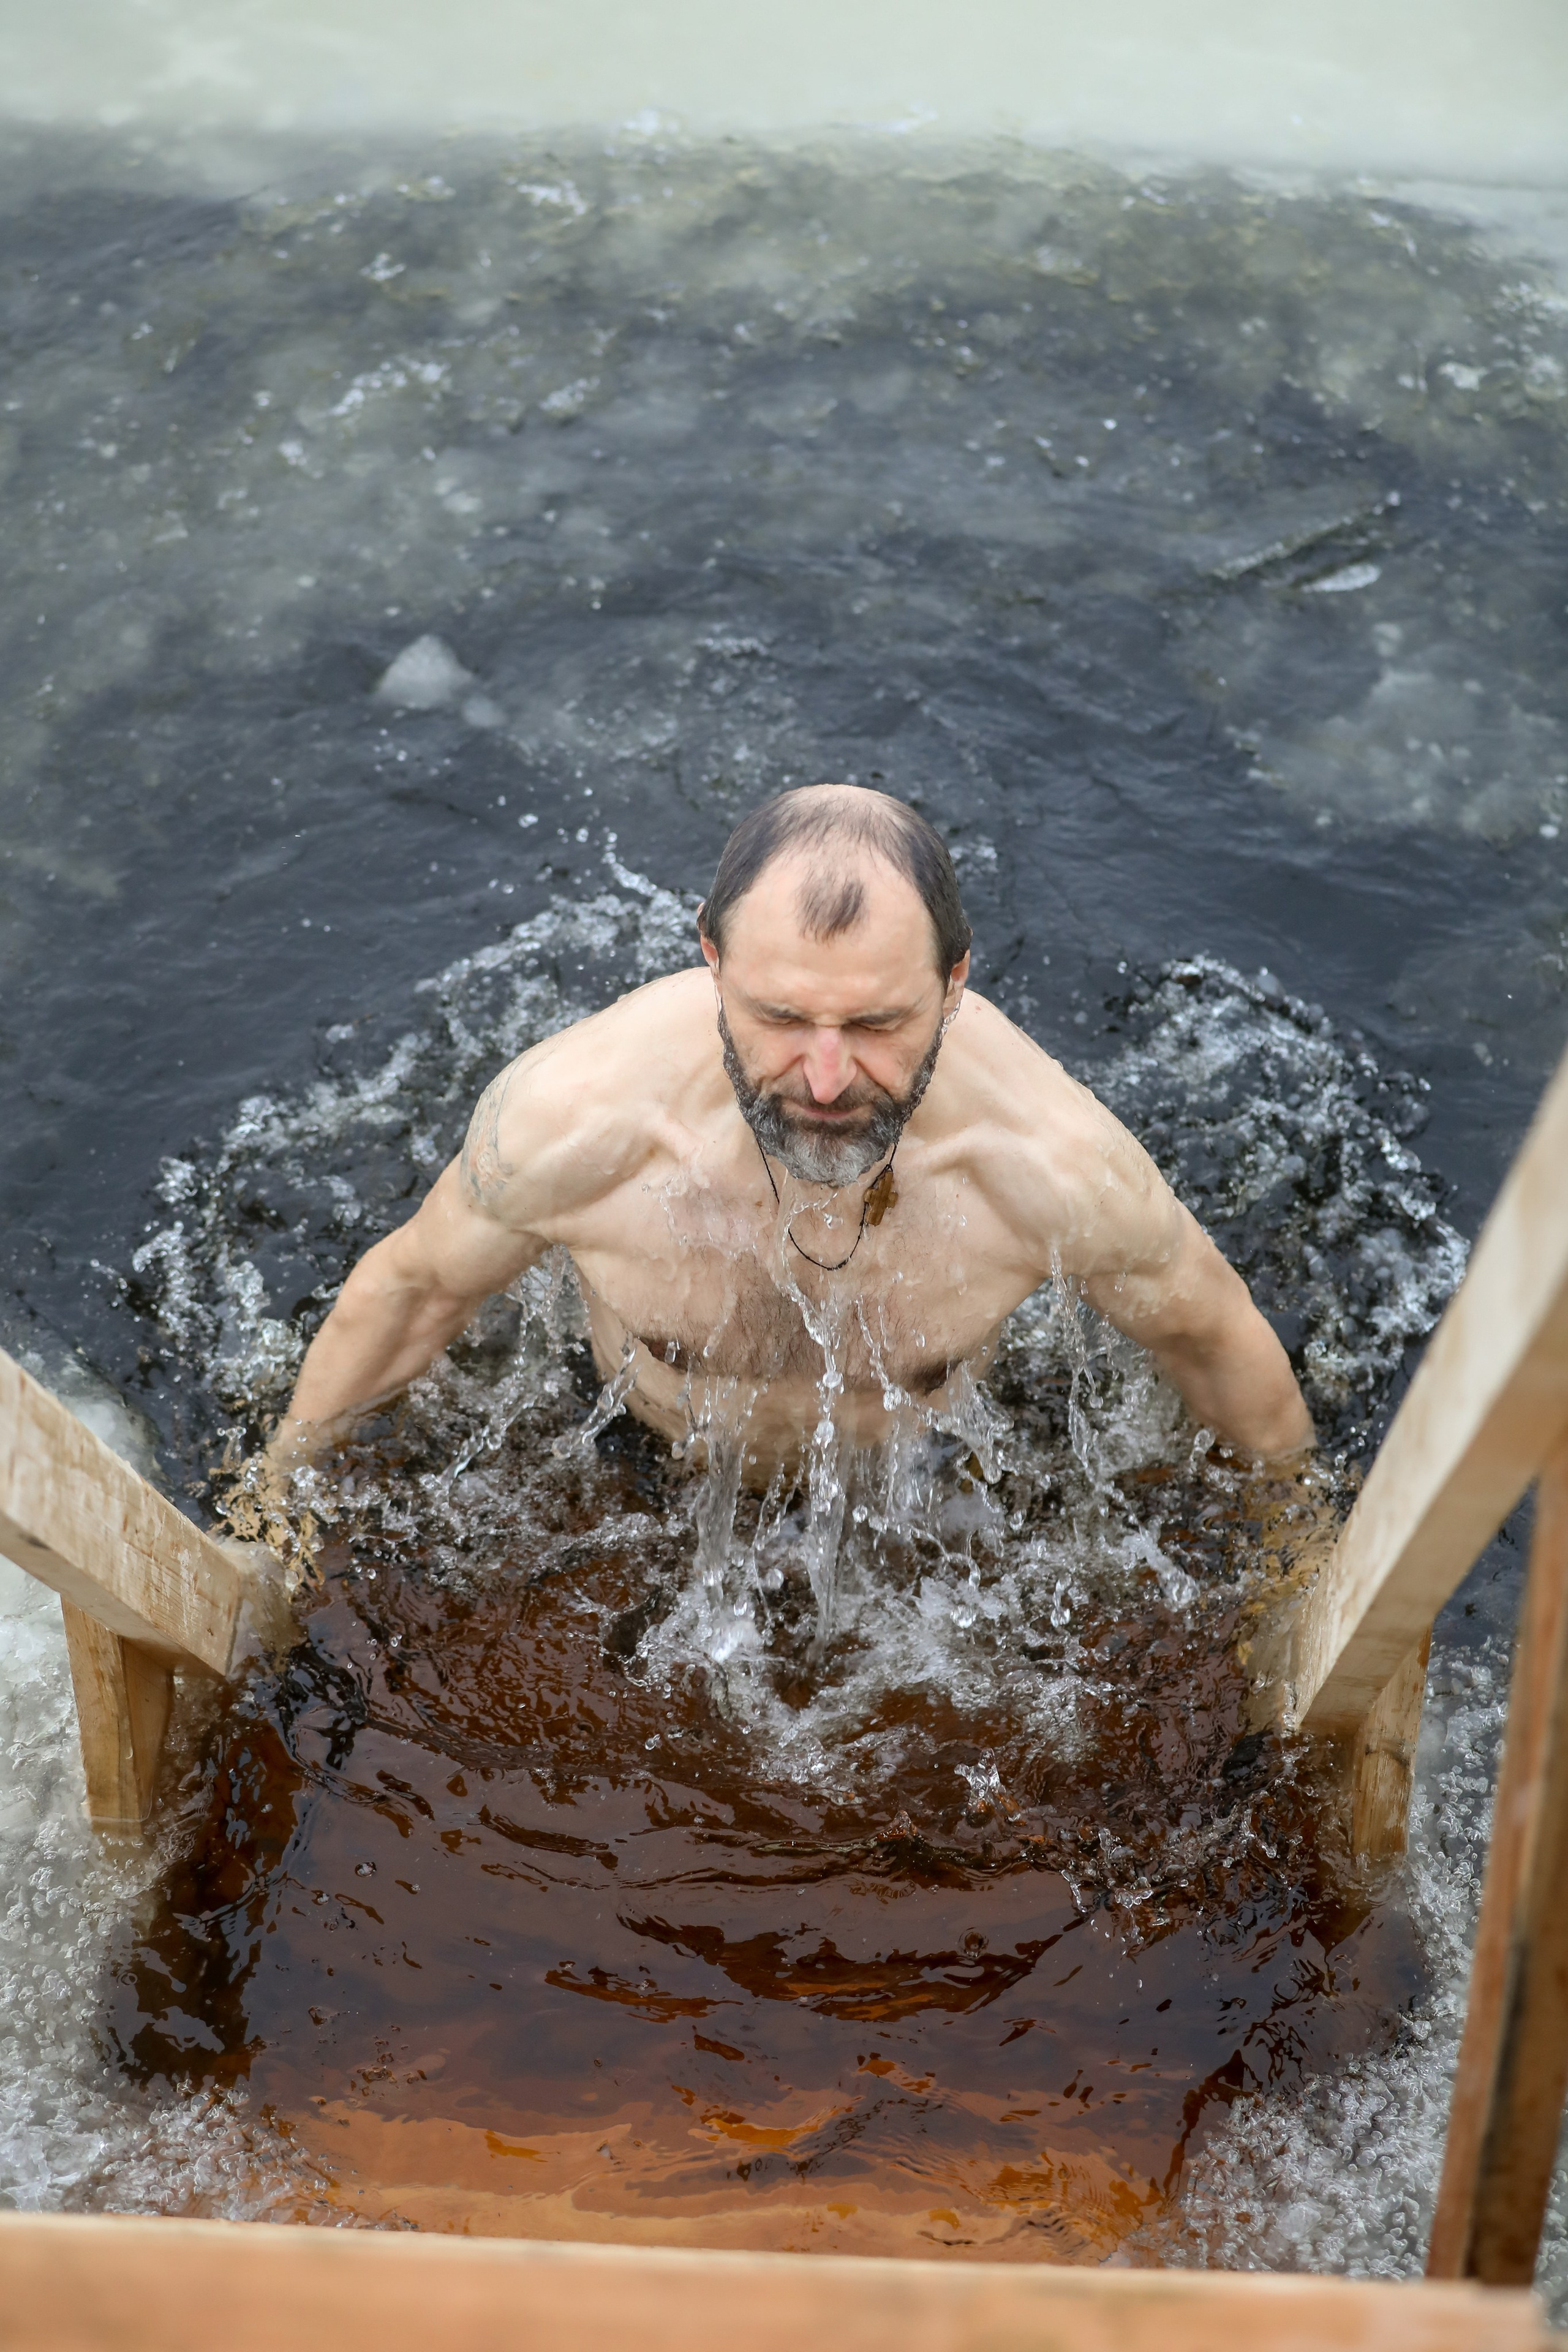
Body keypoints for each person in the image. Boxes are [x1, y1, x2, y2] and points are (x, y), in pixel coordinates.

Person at [273, 785, 1313, 1478]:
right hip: (647, 1459)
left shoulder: (1051, 1168)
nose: (824, 1078)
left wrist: (1292, 1568)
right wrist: (279, 1500)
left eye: (876, 1024)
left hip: (925, 1481)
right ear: (712, 965)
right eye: (779, 1018)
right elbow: (415, 1294)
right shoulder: (574, 1125)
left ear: (954, 984)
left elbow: (1212, 1340)